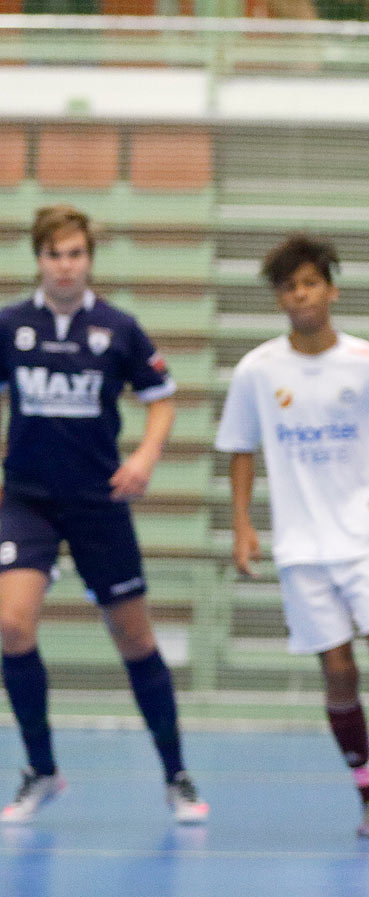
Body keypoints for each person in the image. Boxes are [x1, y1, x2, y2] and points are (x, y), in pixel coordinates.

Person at [0, 205, 209, 825]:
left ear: (89, 259)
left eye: (75, 255)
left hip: (99, 502)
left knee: (136, 640)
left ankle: (175, 773)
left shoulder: (117, 329)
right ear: (38, 259)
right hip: (28, 501)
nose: (65, 266)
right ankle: (41, 768)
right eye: (54, 255)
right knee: (11, 626)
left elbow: (162, 398)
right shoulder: (12, 325)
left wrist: (144, 456)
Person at [214, 234, 369, 838]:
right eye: (288, 286)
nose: (300, 294)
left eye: (309, 282)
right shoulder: (258, 371)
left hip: (366, 537)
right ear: (279, 298)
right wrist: (241, 525)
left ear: (330, 289)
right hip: (301, 547)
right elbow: (239, 450)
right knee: (337, 671)